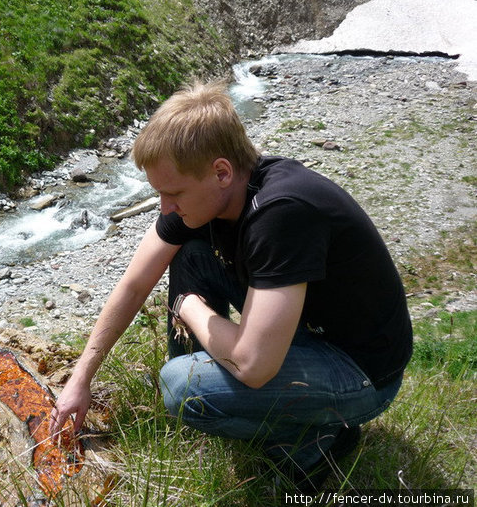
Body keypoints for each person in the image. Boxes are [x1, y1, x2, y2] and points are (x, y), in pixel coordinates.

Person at [48, 81, 413, 491]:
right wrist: (81, 378)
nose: (165, 207)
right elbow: (134, 285)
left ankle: (317, 441)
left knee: (181, 386)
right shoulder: (204, 199)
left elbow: (255, 367)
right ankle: (212, 397)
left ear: (221, 171)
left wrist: (189, 306)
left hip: (361, 372)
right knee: (189, 253)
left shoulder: (282, 212)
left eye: (172, 193)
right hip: (307, 332)